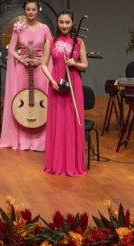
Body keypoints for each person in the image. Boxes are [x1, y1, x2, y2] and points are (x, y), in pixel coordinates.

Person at [0, 0, 52, 152]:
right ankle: (21, 138)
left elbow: (51, 48)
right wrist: (21, 59)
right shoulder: (18, 27)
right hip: (22, 69)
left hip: (40, 69)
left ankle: (41, 139)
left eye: (33, 9)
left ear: (38, 10)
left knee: (41, 101)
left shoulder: (45, 28)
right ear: (24, 10)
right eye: (28, 9)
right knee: (21, 102)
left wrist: (40, 61)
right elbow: (11, 49)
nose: (31, 12)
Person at [45, 10, 88, 176]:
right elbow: (43, 64)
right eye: (61, 22)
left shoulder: (79, 42)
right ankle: (56, 163)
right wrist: (51, 80)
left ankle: (72, 163)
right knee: (57, 121)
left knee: (71, 121)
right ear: (57, 23)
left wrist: (74, 63)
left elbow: (85, 65)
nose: (64, 25)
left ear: (73, 23)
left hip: (73, 84)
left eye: (67, 22)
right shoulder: (50, 41)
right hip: (56, 83)